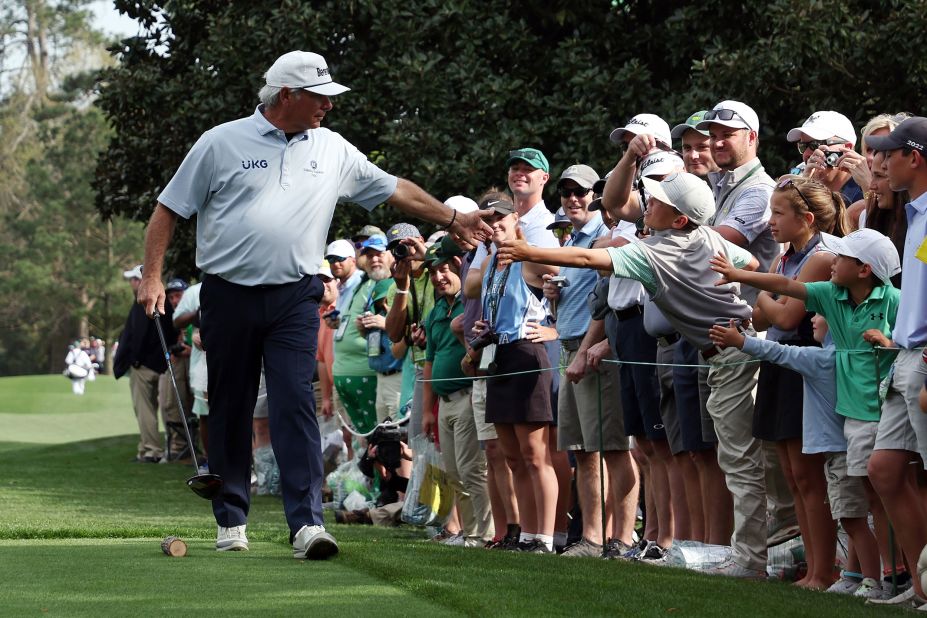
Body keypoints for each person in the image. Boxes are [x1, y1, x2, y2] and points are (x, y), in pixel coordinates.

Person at [136, 50, 491, 560]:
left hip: (293, 296)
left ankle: (306, 524)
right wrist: (152, 275)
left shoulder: (333, 149)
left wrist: (452, 219)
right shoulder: (220, 142)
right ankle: (231, 519)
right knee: (232, 406)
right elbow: (168, 210)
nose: (328, 105)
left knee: (294, 404)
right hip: (228, 294)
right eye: (319, 96)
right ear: (287, 95)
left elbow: (396, 189)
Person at [498, 172, 770, 578]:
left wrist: (526, 251)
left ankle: (749, 560)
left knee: (739, 463)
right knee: (735, 460)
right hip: (730, 353)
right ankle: (746, 553)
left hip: (730, 357)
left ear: (679, 219)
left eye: (658, 202)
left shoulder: (655, 250)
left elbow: (591, 259)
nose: (648, 204)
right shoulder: (707, 238)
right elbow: (749, 262)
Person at [710, 227, 903, 593]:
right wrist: (738, 275)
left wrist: (888, 343)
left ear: (864, 270)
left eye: (842, 257)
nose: (833, 261)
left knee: (874, 504)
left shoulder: (893, 299)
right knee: (859, 508)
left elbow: (908, 344)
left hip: (885, 414)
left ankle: (887, 578)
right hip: (854, 422)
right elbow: (787, 286)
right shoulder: (834, 295)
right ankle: (870, 577)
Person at [709, 314, 885, 598]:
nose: (813, 318)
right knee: (853, 517)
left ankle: (874, 581)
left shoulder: (824, 358)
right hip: (838, 451)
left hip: (840, 452)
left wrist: (741, 341)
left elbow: (779, 350)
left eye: (821, 314)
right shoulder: (834, 354)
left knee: (853, 519)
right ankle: (855, 575)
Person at [747, 175, 846, 590]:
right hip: (779, 362)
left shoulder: (821, 257)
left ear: (806, 218)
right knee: (791, 475)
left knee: (808, 475)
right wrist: (768, 294)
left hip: (803, 364)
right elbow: (759, 316)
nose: (771, 221)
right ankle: (812, 569)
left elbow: (784, 318)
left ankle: (825, 570)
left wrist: (759, 288)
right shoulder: (784, 260)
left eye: (778, 213)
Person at [546, 164, 636, 559]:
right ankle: (593, 538)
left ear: (596, 196)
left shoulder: (607, 237)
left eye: (580, 192)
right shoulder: (572, 238)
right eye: (566, 193)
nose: (573, 199)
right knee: (582, 450)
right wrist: (552, 292)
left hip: (595, 350)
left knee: (613, 448)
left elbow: (609, 300)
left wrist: (589, 348)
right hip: (570, 347)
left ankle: (622, 538)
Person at [864, 117, 927, 606]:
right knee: (884, 469)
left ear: (915, 157)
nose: (881, 163)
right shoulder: (913, 212)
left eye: (890, 153)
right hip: (905, 356)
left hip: (924, 360)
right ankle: (922, 586)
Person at [475, 197, 560, 554]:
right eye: (488, 219)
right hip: (498, 358)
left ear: (515, 218)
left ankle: (545, 536)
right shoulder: (491, 262)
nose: (494, 224)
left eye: (500, 218)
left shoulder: (528, 255)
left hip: (526, 354)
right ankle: (526, 534)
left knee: (535, 453)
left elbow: (567, 286)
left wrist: (555, 329)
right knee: (511, 455)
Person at [421, 245, 492, 546]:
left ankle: (482, 533)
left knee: (471, 469)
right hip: (444, 403)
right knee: (452, 473)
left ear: (457, 267)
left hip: (467, 394)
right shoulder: (437, 310)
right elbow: (428, 361)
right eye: (434, 272)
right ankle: (469, 532)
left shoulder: (471, 302)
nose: (439, 277)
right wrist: (427, 410)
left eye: (444, 269)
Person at [114, 264, 177, 463]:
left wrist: (135, 360)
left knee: (146, 409)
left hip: (146, 366)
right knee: (159, 408)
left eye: (134, 279)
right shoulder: (161, 300)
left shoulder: (144, 302)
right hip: (160, 364)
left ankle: (152, 450)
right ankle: (147, 448)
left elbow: (139, 336)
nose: (132, 283)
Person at [355, 235, 404, 423]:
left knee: (400, 436)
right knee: (384, 439)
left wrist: (385, 323)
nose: (374, 259)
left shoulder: (401, 284)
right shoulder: (373, 286)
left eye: (379, 254)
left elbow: (409, 326)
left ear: (391, 254)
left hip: (398, 376)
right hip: (380, 375)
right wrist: (363, 328)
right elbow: (375, 332)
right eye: (369, 256)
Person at [788, 110, 865, 204]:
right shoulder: (798, 180)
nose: (807, 153)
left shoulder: (865, 192)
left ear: (847, 148)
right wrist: (804, 190)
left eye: (816, 144)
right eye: (803, 146)